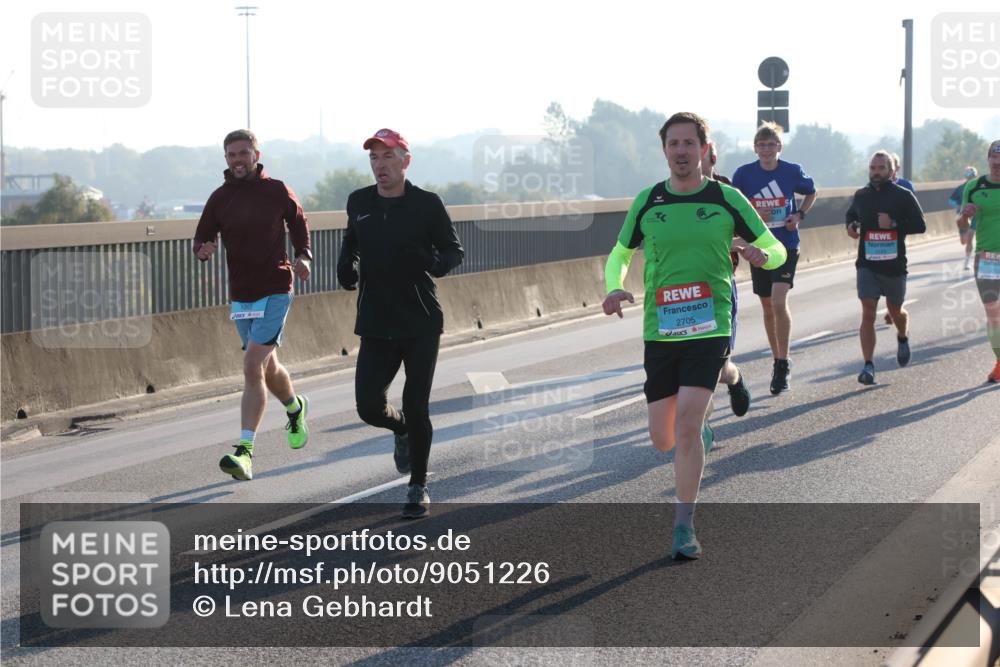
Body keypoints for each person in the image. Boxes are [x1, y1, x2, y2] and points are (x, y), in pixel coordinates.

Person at [602, 112, 786, 560]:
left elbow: (776, 247)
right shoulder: (649, 200)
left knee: (686, 427)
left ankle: (684, 525)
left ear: (704, 149)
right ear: (664, 150)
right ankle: (731, 378)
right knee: (662, 438)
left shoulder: (727, 198)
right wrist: (613, 285)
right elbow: (620, 252)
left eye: (689, 143)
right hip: (661, 329)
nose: (681, 151)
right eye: (673, 144)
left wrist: (763, 255)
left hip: (710, 323)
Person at [337, 128, 464, 519]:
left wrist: (432, 262)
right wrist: (347, 264)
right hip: (376, 319)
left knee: (416, 403)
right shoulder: (359, 201)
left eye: (388, 157)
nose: (380, 165)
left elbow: (452, 251)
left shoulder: (427, 204)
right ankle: (401, 430)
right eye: (374, 158)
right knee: (369, 407)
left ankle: (417, 486)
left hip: (420, 320)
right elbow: (352, 240)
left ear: (405, 161)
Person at [193, 129, 313, 481]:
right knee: (266, 366)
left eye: (244, 153)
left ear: (256, 155)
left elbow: (298, 220)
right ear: (226, 159)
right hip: (242, 294)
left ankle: (245, 452)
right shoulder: (220, 198)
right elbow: (202, 235)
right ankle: (295, 407)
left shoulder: (276, 190)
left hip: (276, 287)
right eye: (231, 155)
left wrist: (303, 255)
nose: (238, 160)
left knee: (250, 365)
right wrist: (202, 249)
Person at [732, 122, 817, 395]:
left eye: (771, 145)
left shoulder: (792, 171)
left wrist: (799, 215)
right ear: (755, 148)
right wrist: (754, 220)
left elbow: (811, 192)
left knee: (780, 300)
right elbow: (735, 207)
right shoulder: (744, 174)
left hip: (787, 244)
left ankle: (783, 363)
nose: (766, 150)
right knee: (768, 306)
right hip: (760, 247)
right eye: (762, 145)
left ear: (779, 147)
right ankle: (775, 357)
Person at [846, 150, 926, 385]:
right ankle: (868, 365)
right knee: (868, 311)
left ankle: (902, 336)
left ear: (891, 171)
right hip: (867, 263)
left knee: (895, 310)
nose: (876, 172)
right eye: (873, 168)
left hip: (894, 265)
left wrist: (894, 224)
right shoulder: (861, 195)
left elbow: (921, 225)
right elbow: (850, 216)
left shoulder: (903, 195)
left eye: (881, 168)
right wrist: (851, 226)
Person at [701, 141, 750, 417]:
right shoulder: (668, 194)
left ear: (711, 156)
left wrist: (726, 244)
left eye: (699, 153)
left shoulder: (729, 193)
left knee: (718, 370)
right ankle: (700, 429)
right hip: (683, 290)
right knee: (691, 368)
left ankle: (734, 377)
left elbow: (754, 233)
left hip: (720, 284)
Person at [956, 141, 1000, 383]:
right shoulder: (973, 187)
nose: (997, 166)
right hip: (987, 258)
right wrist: (965, 215)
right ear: (988, 161)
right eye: (994, 161)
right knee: (993, 313)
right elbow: (962, 229)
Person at [951, 166, 979, 270]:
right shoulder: (960, 188)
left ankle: (967, 262)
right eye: (967, 175)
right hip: (963, 216)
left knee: (971, 238)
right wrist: (958, 205)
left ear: (975, 175)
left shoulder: (980, 186)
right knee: (964, 241)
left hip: (976, 216)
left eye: (971, 175)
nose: (969, 177)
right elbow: (951, 200)